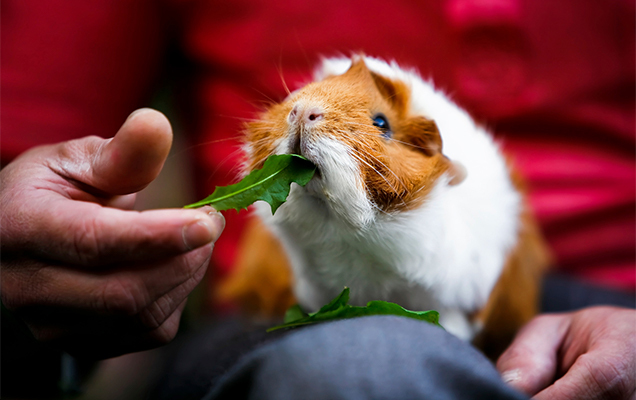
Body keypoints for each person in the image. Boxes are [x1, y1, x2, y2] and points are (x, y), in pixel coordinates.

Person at [2, 0, 634, 399]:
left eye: (382, 128)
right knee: (359, 367)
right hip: (272, 327)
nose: (303, 111)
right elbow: (27, 152)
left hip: (616, 307)